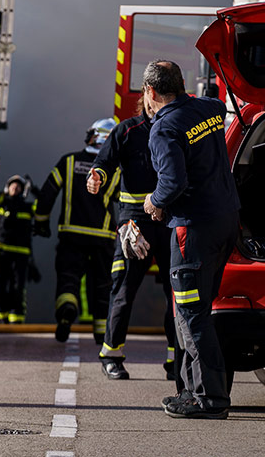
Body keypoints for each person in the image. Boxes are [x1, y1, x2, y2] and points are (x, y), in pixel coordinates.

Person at [141, 59, 240, 420]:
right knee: (198, 309)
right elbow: (217, 102)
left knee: (191, 313)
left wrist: (153, 201)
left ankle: (209, 398)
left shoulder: (164, 129)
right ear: (182, 84)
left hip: (192, 230)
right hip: (225, 222)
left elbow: (173, 182)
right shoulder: (210, 109)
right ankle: (188, 391)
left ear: (150, 92)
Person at [86, 103, 180, 383]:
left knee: (176, 295)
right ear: (148, 96)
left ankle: (176, 361)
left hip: (169, 221)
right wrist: (96, 177)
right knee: (124, 290)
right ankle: (111, 355)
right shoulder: (127, 130)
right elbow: (104, 162)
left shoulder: (176, 129)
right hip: (135, 222)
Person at [35, 119, 121, 344]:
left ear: (96, 136)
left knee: (68, 278)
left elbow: (46, 194)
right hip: (103, 238)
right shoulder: (114, 170)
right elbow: (124, 200)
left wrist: (41, 222)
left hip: (71, 235)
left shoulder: (69, 161)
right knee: (102, 284)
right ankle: (101, 333)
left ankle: (66, 312)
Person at [0, 174, 41, 324]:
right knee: (0, 287)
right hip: (3, 252)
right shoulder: (3, 203)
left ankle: (17, 319)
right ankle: (3, 317)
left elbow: (43, 206)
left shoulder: (28, 207)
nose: (16, 187)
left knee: (18, 288)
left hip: (21, 254)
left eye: (19, 186)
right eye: (13, 185)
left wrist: (34, 189)